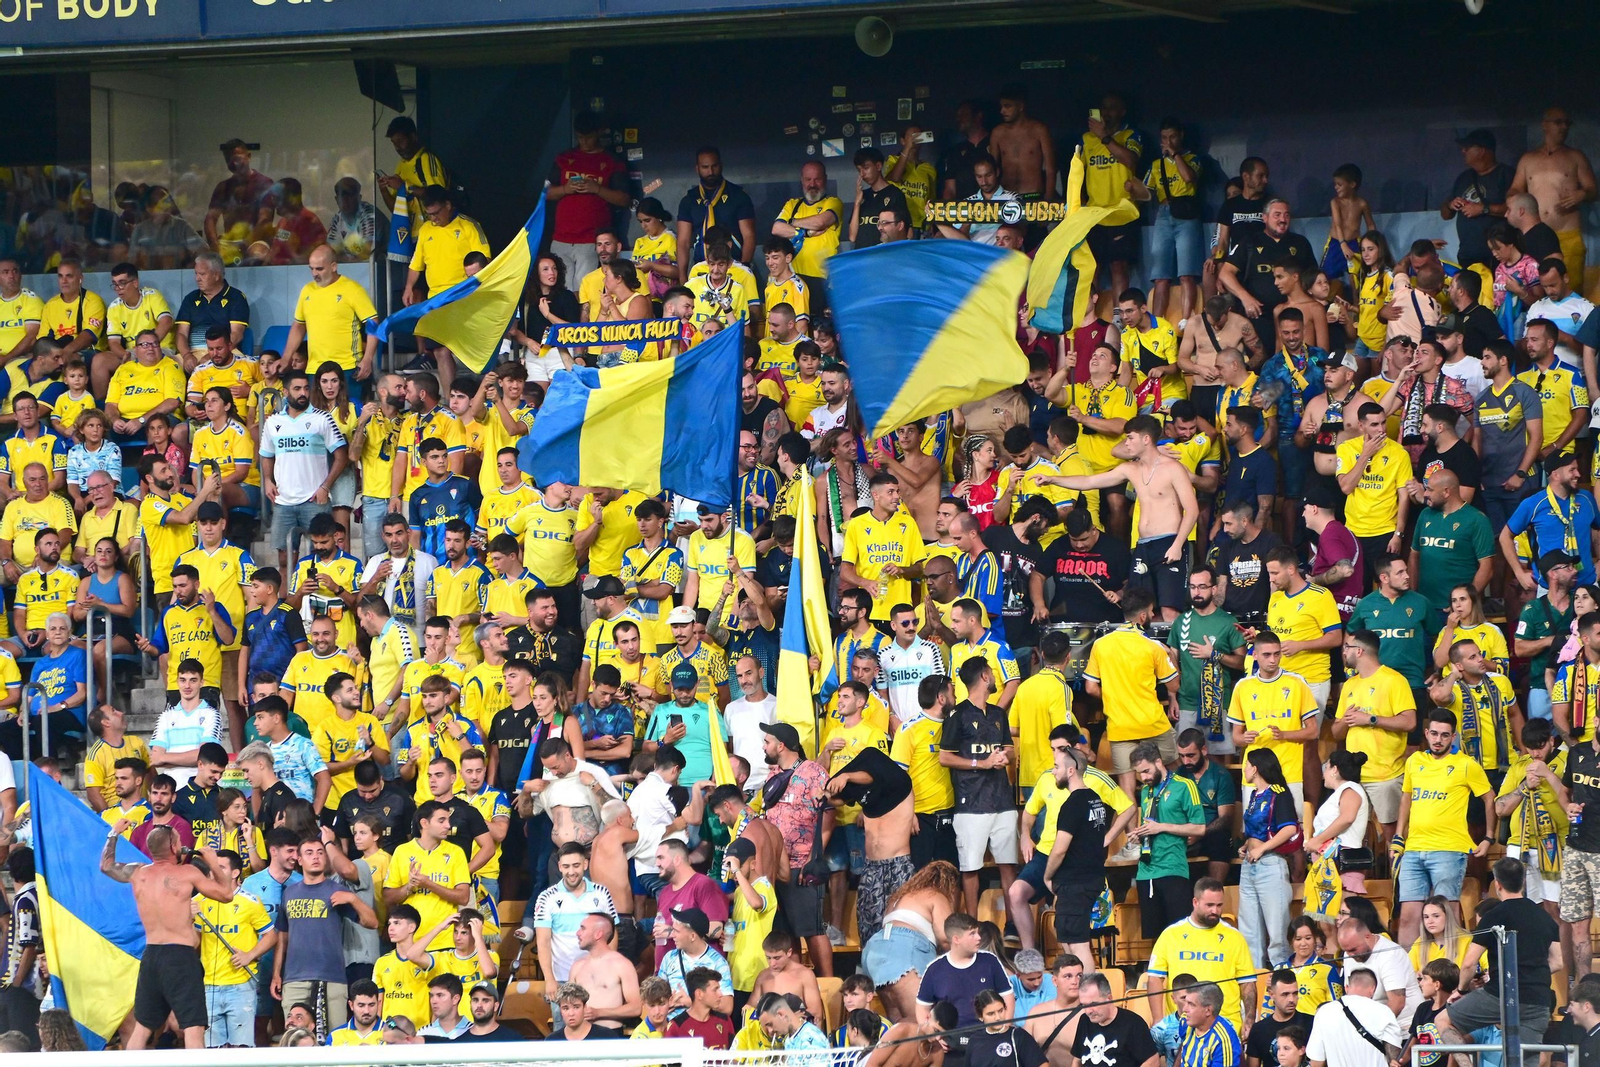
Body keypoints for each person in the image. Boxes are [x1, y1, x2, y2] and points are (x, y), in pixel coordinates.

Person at [101, 826, 235, 1049]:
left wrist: (113, 834)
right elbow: (227, 894)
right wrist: (212, 861)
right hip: (180, 956)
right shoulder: (187, 873)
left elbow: (106, 865)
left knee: (142, 1028)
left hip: (152, 954)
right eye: (179, 841)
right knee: (193, 1029)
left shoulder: (138, 873)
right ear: (174, 847)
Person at [1147, 879, 1256, 1033]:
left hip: (1225, 1026)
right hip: (1181, 1026)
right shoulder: (1171, 934)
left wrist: (1250, 1019)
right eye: (1209, 905)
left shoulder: (1235, 937)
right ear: (1195, 902)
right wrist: (1158, 1020)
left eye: (1219, 905)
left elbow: (1247, 983)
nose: (1215, 911)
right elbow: (1154, 979)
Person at [1129, 740, 1206, 937]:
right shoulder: (1147, 790)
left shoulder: (1185, 786)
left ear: (1158, 762)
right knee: (1156, 938)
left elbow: (1199, 828)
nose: (1143, 778)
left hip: (1173, 869)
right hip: (1146, 872)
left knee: (1179, 935)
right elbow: (1149, 825)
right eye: (1139, 774)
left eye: (1146, 771)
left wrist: (1160, 827)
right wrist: (1140, 834)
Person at [915, 912, 1012, 1052]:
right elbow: (922, 1007)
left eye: (978, 932)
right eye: (972, 934)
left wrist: (1004, 1028)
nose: (979, 938)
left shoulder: (990, 961)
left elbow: (1007, 997)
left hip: (989, 1039)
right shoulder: (935, 969)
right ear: (956, 939)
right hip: (952, 1044)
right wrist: (933, 1035)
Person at [1238, 749, 1301, 968]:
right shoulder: (1255, 795)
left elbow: (1289, 828)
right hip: (1249, 865)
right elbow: (1257, 829)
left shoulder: (1279, 793)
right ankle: (1254, 981)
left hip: (1271, 864)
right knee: (1249, 931)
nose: (1244, 769)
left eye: (1247, 765)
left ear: (1255, 768)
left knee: (1277, 932)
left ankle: (1282, 978)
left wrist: (1261, 849)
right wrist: (1247, 846)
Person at [1305, 967, 1404, 1067]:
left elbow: (1317, 1061)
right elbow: (1394, 1056)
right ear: (1372, 989)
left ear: (1346, 987)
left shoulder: (1324, 1012)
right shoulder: (1383, 1011)